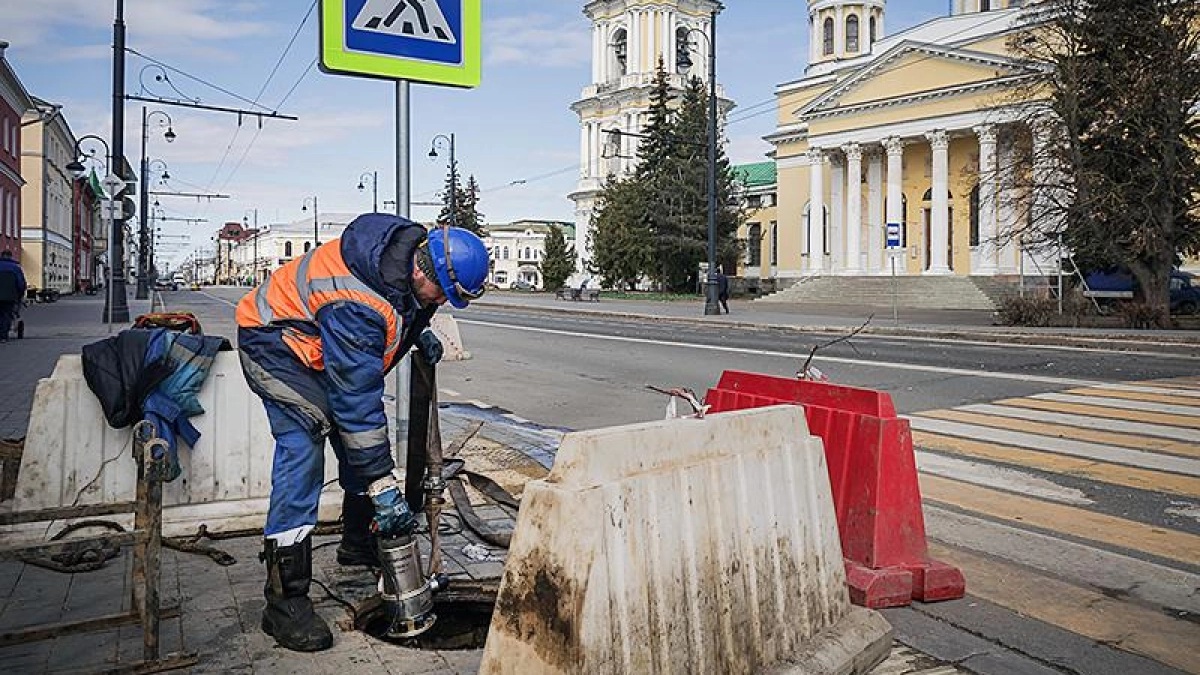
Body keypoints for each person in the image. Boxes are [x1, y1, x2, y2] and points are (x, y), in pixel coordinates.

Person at [235, 214, 488, 652]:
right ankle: (283, 601)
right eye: (443, 294)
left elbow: (407, 310)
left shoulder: (413, 264)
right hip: (275, 345)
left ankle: (356, 544)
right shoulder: (357, 300)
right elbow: (356, 401)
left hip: (320, 347)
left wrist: (415, 334)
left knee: (361, 447)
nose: (442, 303)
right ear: (420, 270)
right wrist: (383, 487)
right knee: (304, 450)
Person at [0, 251, 27, 342]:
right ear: (11, 257)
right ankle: (3, 336)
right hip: (10, 296)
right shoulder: (16, 268)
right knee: (7, 314)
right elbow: (21, 284)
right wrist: (20, 295)